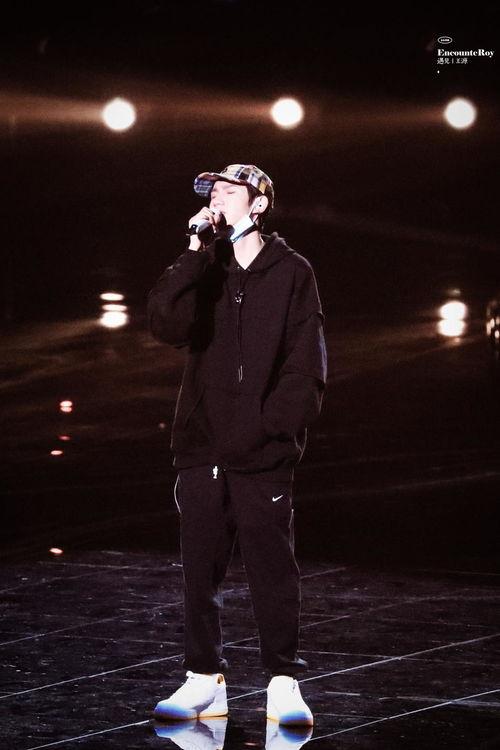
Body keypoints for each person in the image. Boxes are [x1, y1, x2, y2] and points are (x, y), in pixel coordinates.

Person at [147, 164, 327, 726]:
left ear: (259, 204)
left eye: (229, 191)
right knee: (199, 568)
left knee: (272, 569)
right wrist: (194, 251)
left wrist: (273, 426)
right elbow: (165, 324)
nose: (218, 199)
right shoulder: (207, 266)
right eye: (213, 192)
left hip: (263, 452)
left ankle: (283, 681)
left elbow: (306, 360)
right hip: (203, 447)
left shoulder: (292, 271)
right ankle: (204, 680)